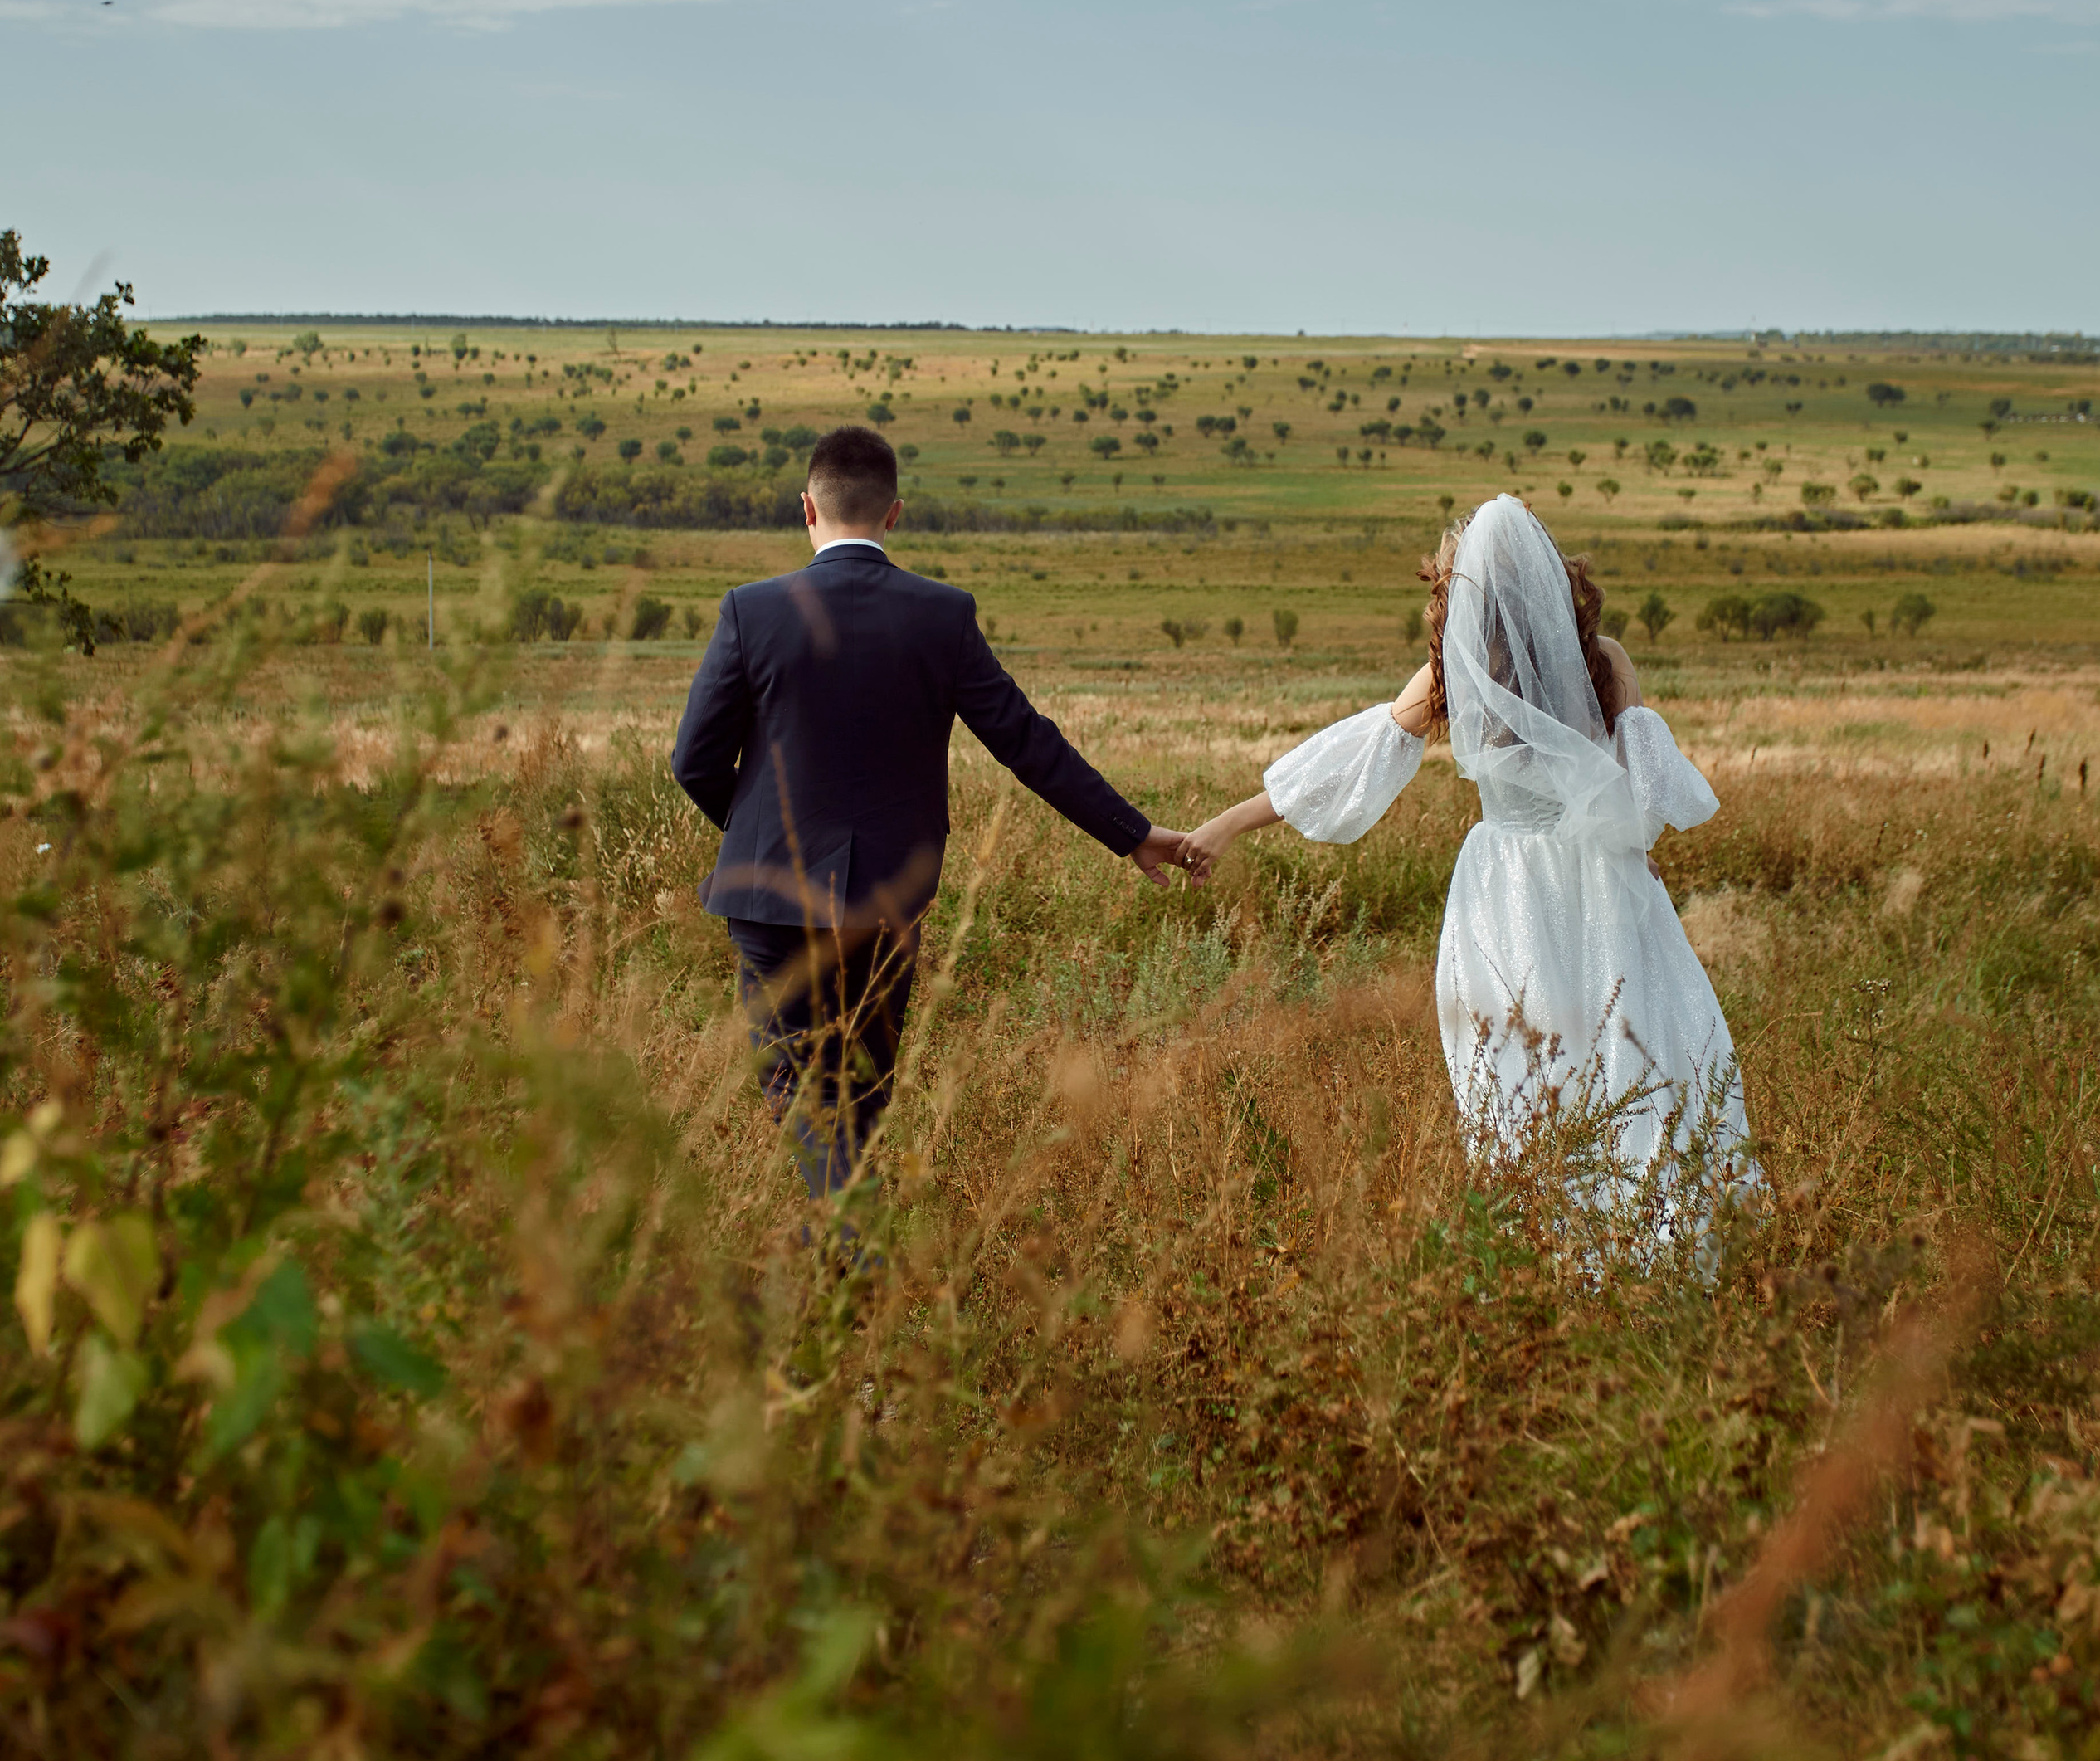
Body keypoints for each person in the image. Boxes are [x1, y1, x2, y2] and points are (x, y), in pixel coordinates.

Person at [1181, 492, 1759, 1252]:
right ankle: (1656, 1239)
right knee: (1637, 1054)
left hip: (1506, 890)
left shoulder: (1456, 668)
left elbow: (1353, 767)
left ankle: (1550, 1250)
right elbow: (1648, 792)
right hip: (1605, 884)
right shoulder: (1605, 659)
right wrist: (1629, 848)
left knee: (1524, 1077)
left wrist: (1223, 826)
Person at [673, 422, 1201, 1195]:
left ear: (806, 510)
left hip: (766, 901)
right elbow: (1029, 745)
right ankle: (854, 1261)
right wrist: (1133, 835)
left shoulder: (750, 611)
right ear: (894, 514)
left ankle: (855, 1260)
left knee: (801, 1091)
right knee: (858, 1094)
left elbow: (694, 761)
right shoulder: (941, 615)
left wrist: (764, 837)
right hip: (888, 897)